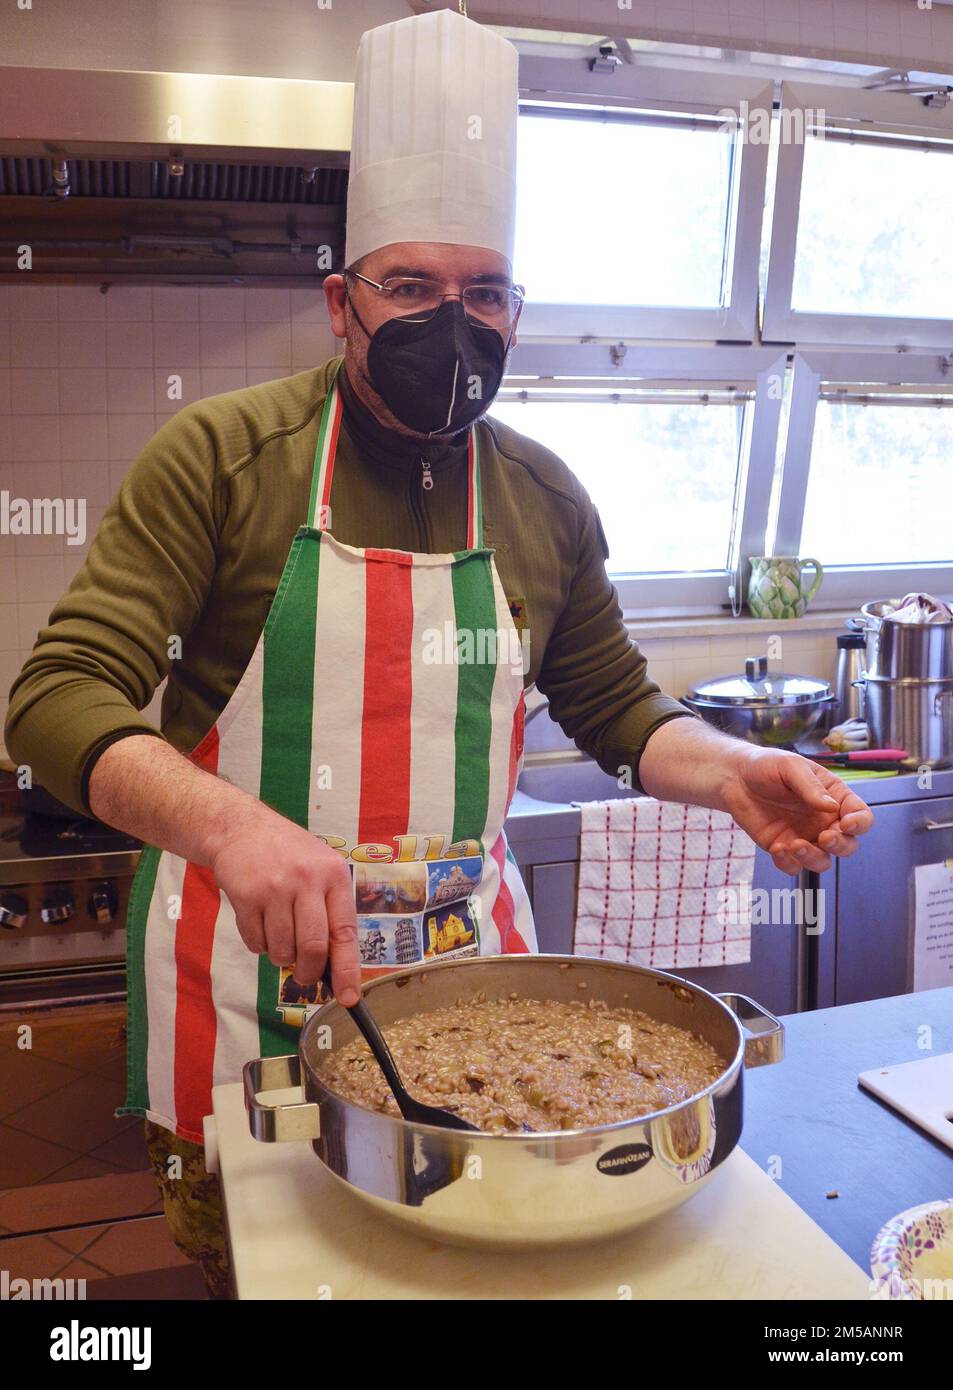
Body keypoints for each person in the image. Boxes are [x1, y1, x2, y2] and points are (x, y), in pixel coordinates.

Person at [4, 10, 872, 1297]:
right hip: (243, 999)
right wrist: (237, 830)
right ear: (339, 301)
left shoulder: (542, 497)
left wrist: (729, 767)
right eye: (411, 288)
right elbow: (54, 700)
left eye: (483, 295)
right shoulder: (222, 458)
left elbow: (618, 707)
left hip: (482, 1015)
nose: (450, 325)